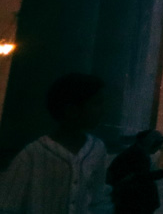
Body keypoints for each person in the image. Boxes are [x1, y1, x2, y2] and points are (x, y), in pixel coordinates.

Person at [0, 72, 112, 214]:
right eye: (96, 103)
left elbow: (97, 198)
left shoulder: (97, 149)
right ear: (72, 110)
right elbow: (8, 204)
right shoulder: (33, 154)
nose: (102, 111)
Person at [107, 130, 163, 214]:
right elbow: (141, 177)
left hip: (134, 200)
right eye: (158, 146)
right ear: (150, 143)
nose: (159, 149)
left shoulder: (139, 152)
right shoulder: (136, 154)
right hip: (132, 201)